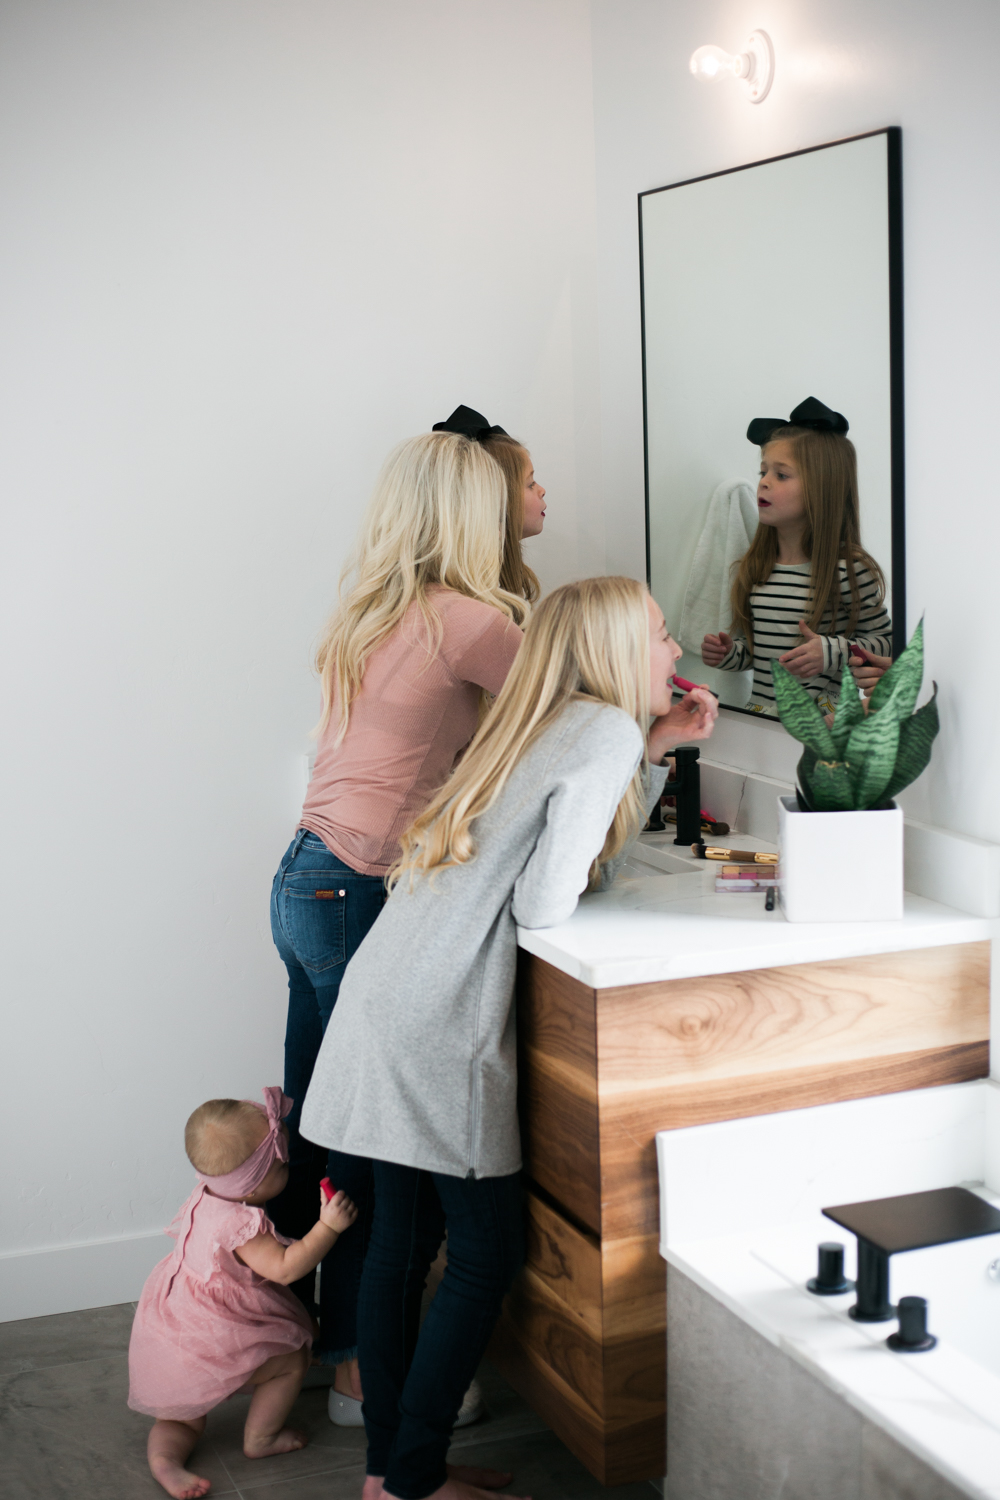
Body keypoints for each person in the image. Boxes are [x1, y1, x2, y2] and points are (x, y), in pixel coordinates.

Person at [300, 576, 717, 1500]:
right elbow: (547, 901)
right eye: (659, 634)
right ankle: (409, 1478)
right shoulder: (600, 732)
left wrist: (651, 751)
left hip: (390, 985)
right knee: (484, 1249)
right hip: (436, 1016)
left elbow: (546, 859)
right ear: (616, 647)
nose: (676, 650)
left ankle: (391, 1474)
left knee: (402, 1242)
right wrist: (638, 751)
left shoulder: (546, 720)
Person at [268, 428, 523, 1420]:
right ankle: (358, 1377)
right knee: (370, 1140)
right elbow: (572, 714)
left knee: (319, 1125)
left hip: (305, 878)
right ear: (469, 514)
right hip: (359, 888)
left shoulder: (371, 611)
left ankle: (297, 1347)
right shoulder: (467, 620)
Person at [128, 1087, 357, 1500]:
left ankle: (165, 1462)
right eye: (282, 1164)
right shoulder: (241, 1226)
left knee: (180, 1419)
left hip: (177, 1329)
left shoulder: (205, 1193)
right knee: (291, 1359)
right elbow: (286, 1268)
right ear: (253, 1186)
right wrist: (328, 1227)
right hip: (217, 1335)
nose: (288, 1166)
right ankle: (261, 1438)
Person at [701, 398, 891, 715]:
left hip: (822, 722)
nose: (763, 481)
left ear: (821, 487)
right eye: (763, 471)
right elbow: (760, 653)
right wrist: (730, 654)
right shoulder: (757, 567)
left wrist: (832, 651)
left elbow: (886, 642)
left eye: (781, 475)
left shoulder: (848, 569)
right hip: (762, 716)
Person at [432, 403, 546, 613]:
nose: (542, 490)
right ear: (494, 501)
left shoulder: (492, 588)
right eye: (530, 484)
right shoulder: (475, 614)